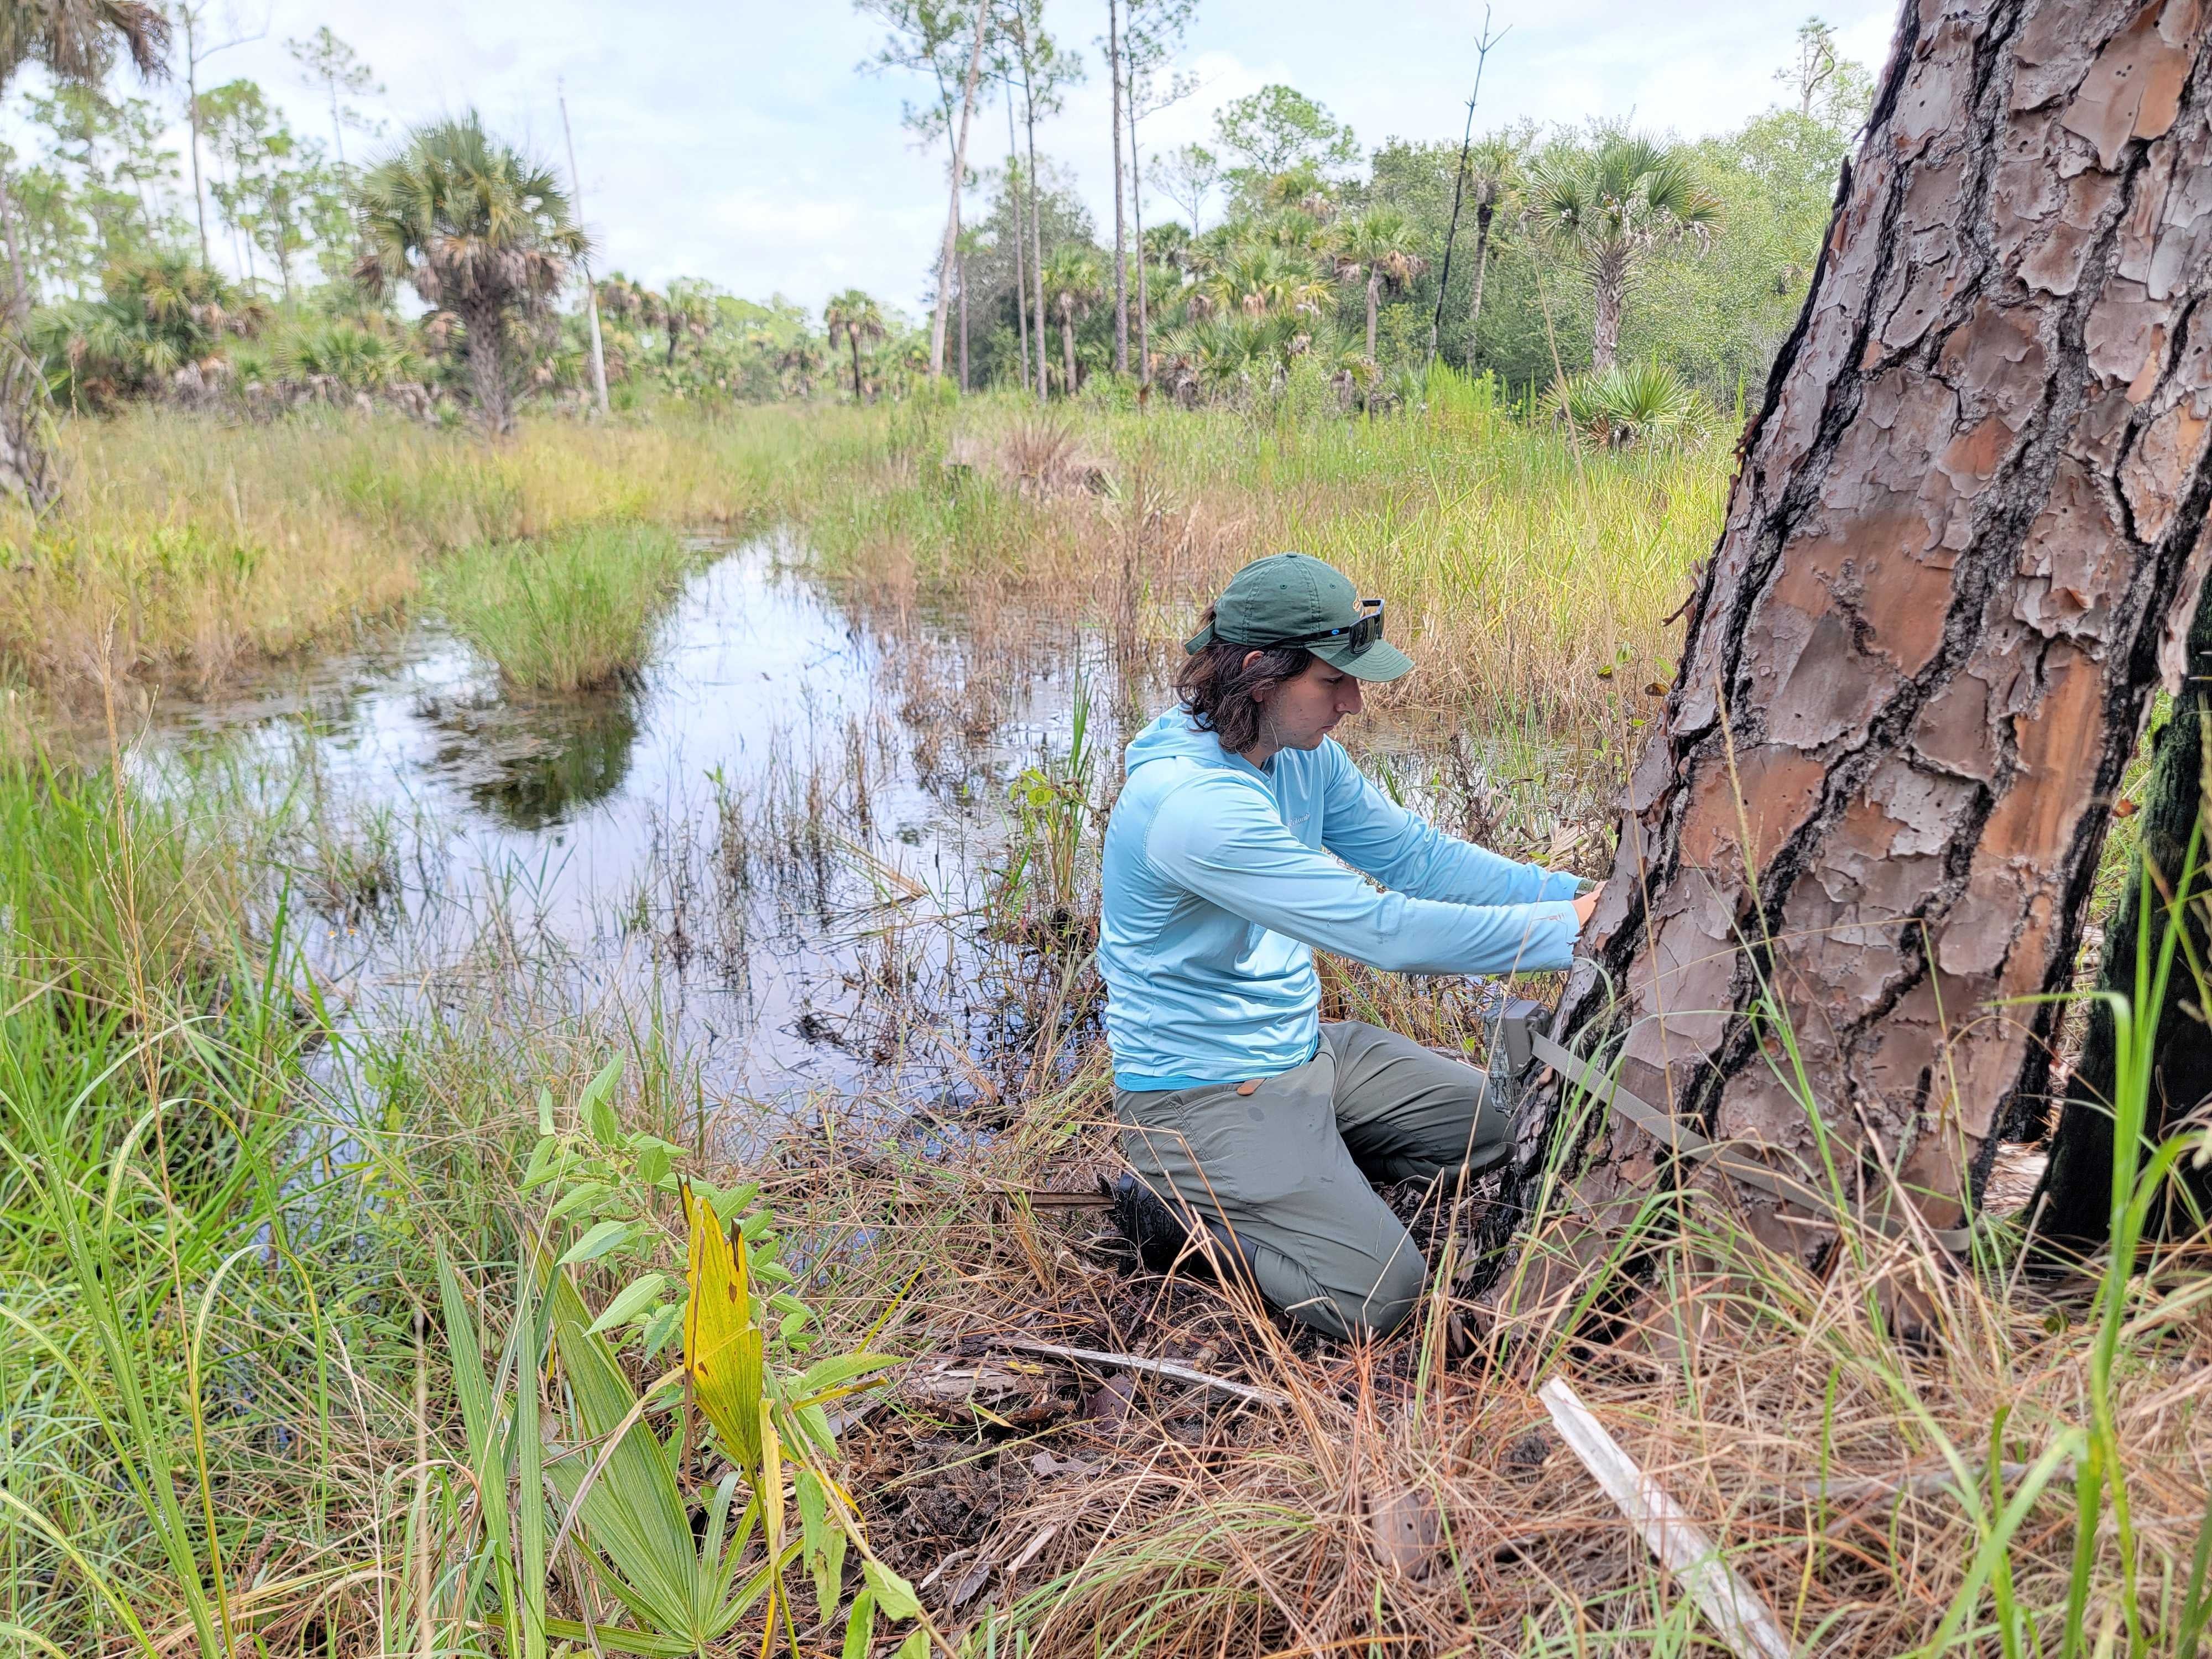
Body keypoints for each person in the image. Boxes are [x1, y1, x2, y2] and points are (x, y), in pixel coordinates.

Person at [1098, 551, 1600, 1342]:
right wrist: (1572, 930)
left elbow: (1420, 860)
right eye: (1334, 681)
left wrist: (1578, 895)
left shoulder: (1300, 757)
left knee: (1506, 1125)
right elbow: (1383, 931)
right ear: (1260, 672)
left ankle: (1305, 1177)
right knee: (1378, 1294)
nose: (1355, 703)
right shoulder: (1193, 808)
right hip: (1197, 1094)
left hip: (1307, 1053)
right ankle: (1173, 1214)